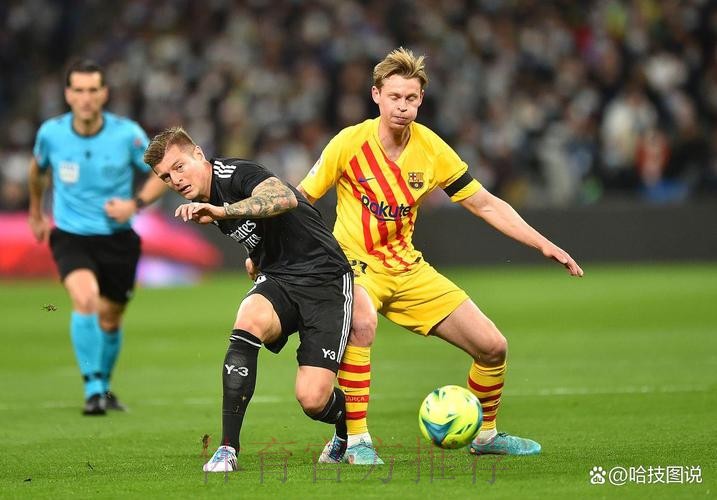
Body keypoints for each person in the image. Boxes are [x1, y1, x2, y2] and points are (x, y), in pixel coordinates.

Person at [297, 47, 584, 464]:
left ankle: (486, 435)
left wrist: (542, 242)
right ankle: (356, 441)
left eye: (411, 98)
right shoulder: (348, 143)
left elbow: (484, 203)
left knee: (493, 346)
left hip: (408, 269)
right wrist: (269, 252)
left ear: (421, 100)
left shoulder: (431, 148)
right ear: (376, 95)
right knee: (362, 321)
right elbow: (301, 200)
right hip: (355, 267)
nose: (403, 106)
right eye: (394, 97)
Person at [144, 126, 353, 472]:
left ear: (199, 154)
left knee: (313, 400)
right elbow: (261, 229)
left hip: (324, 280)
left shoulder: (235, 173)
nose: (175, 180)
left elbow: (283, 199)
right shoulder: (204, 197)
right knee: (249, 315)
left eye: (179, 167)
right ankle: (228, 448)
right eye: (166, 176)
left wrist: (223, 213)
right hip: (280, 277)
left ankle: (346, 431)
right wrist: (255, 258)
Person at [28, 59, 167, 416]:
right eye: (79, 90)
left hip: (118, 239)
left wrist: (134, 204)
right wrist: (35, 212)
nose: (86, 98)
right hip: (71, 235)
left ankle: (103, 387)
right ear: (68, 94)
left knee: (111, 317)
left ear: (104, 93)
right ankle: (92, 388)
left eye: (93, 90)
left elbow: (160, 172)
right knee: (85, 298)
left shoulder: (127, 134)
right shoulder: (51, 134)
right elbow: (38, 170)